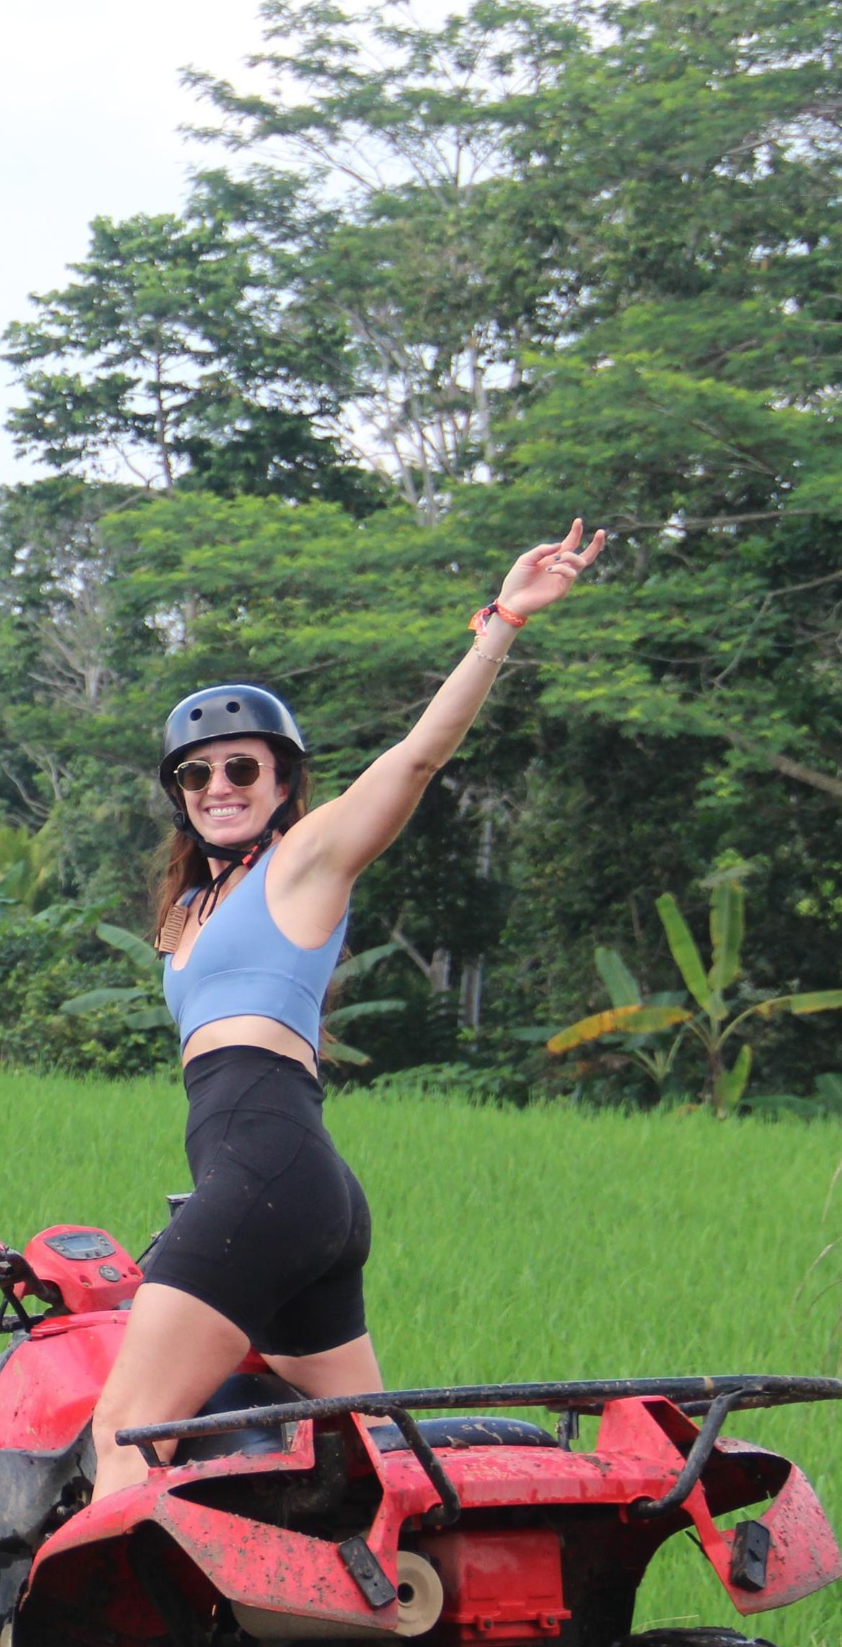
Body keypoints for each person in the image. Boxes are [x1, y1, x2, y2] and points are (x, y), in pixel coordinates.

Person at [86, 520, 606, 1499]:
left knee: (124, 1432)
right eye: (197, 774)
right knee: (372, 1478)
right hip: (304, 1195)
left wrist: (500, 623)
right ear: (179, 796)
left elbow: (414, 758)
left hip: (264, 1182)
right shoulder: (186, 911)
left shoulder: (306, 862)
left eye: (243, 766)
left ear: (283, 780)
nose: (219, 786)